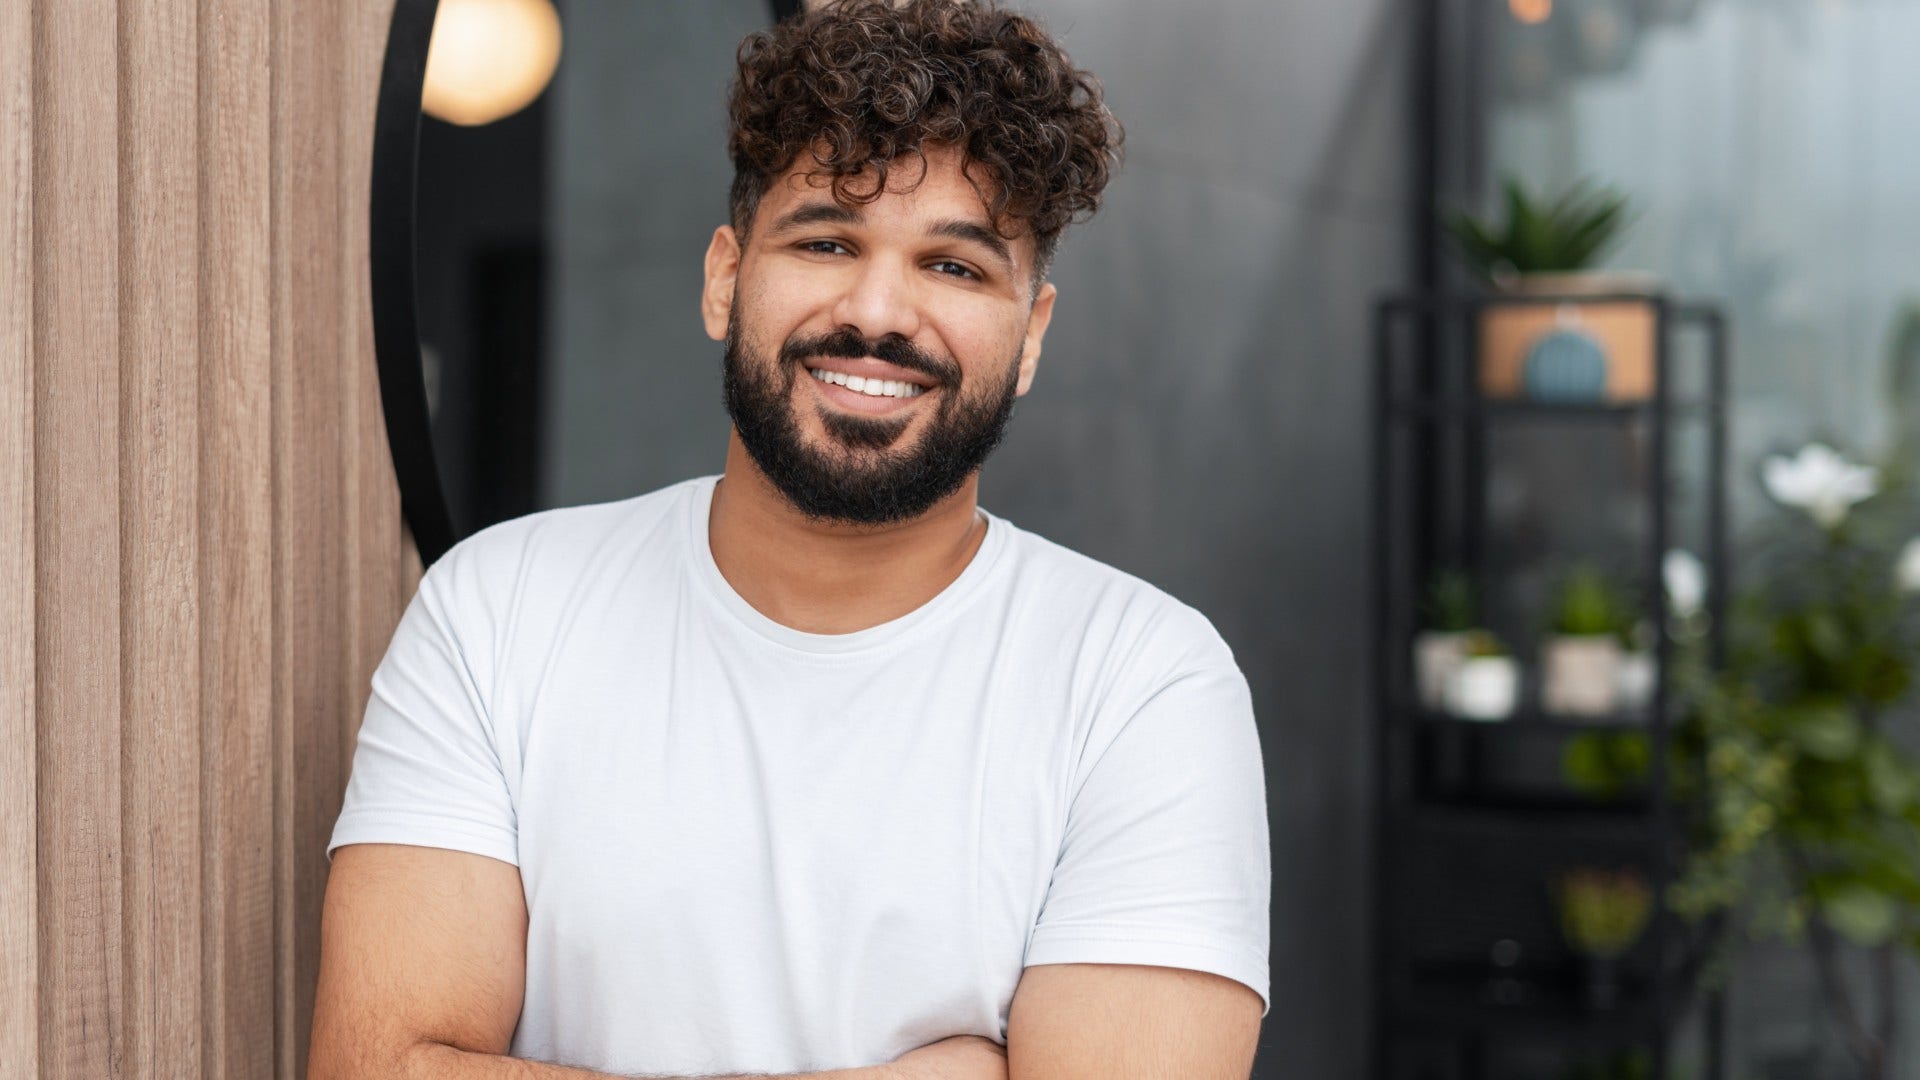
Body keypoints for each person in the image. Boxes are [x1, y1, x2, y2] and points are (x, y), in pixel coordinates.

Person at [309, 2, 1270, 1078]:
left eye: (954, 267)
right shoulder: (498, 614)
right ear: (727, 277)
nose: (877, 312)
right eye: (826, 240)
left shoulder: (1141, 684)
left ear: (1031, 332)